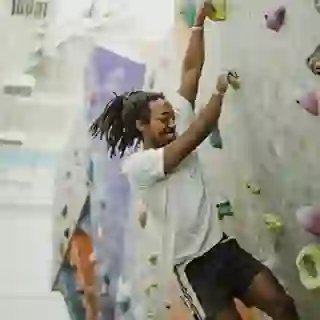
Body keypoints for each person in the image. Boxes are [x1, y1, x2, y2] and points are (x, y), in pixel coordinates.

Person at [90, 3, 300, 320]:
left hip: (224, 249)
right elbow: (197, 134)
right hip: (195, 270)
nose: (172, 123)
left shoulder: (176, 122)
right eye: (163, 120)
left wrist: (199, 23)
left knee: (282, 306)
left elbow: (190, 70)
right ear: (141, 126)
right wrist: (218, 93)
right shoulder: (139, 167)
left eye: (172, 116)